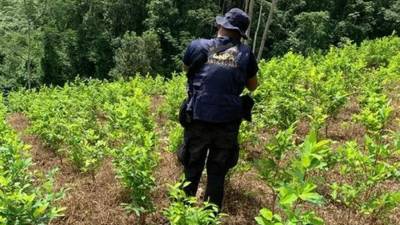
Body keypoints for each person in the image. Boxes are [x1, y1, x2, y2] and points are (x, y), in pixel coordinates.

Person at [178, 8, 259, 210]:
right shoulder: (246, 54)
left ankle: (182, 215)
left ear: (221, 26)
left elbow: (186, 70)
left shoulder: (197, 46)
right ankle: (210, 216)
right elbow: (252, 86)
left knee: (191, 168)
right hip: (227, 122)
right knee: (217, 173)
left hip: (198, 117)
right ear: (240, 33)